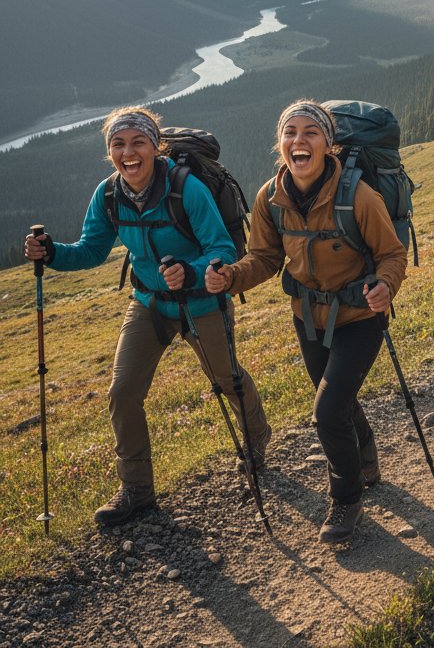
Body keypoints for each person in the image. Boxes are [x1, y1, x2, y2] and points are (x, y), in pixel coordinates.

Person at [23, 106, 270, 526]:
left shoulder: (186, 188)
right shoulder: (107, 194)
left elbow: (224, 249)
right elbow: (91, 250)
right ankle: (137, 490)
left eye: (138, 142)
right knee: (122, 393)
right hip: (149, 303)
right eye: (118, 144)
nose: (128, 152)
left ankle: (256, 440)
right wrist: (53, 254)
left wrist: (192, 270)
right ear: (110, 152)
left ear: (156, 147)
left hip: (200, 301)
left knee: (227, 379)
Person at [205, 101, 406, 545]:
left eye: (310, 132)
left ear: (328, 144)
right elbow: (264, 258)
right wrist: (231, 277)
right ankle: (366, 454)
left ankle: (346, 498)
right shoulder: (269, 198)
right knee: (337, 397)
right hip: (308, 318)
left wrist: (385, 286)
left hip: (359, 316)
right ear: (280, 145)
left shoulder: (360, 196)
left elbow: (392, 253)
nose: (300, 141)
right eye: (290, 133)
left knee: (327, 409)